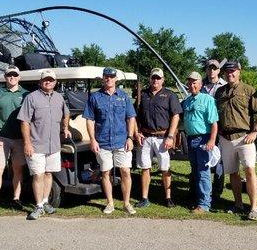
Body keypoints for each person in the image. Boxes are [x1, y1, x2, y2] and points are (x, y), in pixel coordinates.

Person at [215, 61, 257, 221]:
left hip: (245, 138)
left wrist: (254, 131)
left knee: (250, 170)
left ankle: (254, 208)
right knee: (233, 172)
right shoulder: (220, 92)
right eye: (227, 71)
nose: (230, 73)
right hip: (225, 138)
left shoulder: (248, 90)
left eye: (233, 71)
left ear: (239, 71)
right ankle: (238, 204)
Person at [17, 69, 71, 220]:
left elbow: (66, 113)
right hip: (36, 145)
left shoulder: (59, 98)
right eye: (45, 80)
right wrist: (27, 143)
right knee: (38, 175)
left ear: (55, 82)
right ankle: (39, 206)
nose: (48, 82)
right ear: (40, 82)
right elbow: (24, 121)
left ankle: (46, 202)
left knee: (49, 174)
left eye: (51, 80)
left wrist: (65, 128)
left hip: (53, 145)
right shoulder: (31, 98)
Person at [83, 67, 137, 215]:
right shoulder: (95, 97)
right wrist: (92, 139)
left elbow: (130, 117)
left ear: (116, 79)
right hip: (103, 142)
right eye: (106, 76)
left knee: (125, 171)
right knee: (105, 172)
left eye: (112, 77)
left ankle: (126, 203)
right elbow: (89, 120)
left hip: (122, 140)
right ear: (103, 78)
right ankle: (110, 203)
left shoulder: (123, 96)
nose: (109, 79)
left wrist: (130, 137)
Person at [0, 65, 29, 219]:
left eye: (15, 75)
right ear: (5, 77)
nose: (12, 77)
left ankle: (16, 198)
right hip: (1, 138)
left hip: (20, 139)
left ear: (19, 77)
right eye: (9, 75)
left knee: (18, 169)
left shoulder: (26, 95)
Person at [134, 68, 182, 208]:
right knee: (145, 167)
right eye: (153, 77)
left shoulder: (170, 95)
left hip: (163, 137)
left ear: (163, 79)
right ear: (150, 78)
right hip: (146, 137)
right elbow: (135, 116)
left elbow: (176, 116)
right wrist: (137, 132)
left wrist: (171, 136)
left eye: (158, 78)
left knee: (165, 168)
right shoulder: (142, 95)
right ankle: (144, 198)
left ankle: (168, 197)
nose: (155, 80)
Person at [181, 71, 219, 213]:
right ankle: (198, 199)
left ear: (200, 84)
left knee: (203, 172)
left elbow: (214, 123)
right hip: (190, 139)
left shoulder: (207, 100)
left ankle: (204, 204)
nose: (192, 85)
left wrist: (211, 140)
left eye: (194, 82)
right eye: (189, 82)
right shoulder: (187, 101)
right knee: (195, 171)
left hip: (203, 139)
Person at [201, 59, 227, 203]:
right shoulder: (200, 85)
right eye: (209, 68)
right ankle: (200, 190)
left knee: (219, 161)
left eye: (214, 68)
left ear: (218, 70)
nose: (211, 71)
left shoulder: (224, 86)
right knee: (201, 159)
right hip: (203, 128)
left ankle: (216, 192)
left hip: (219, 128)